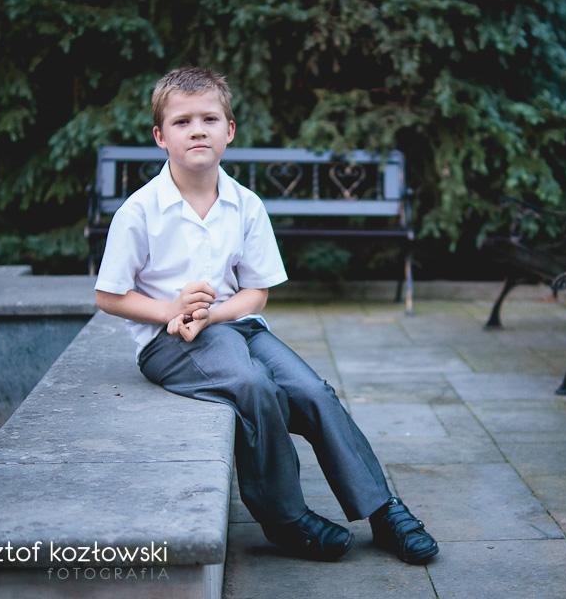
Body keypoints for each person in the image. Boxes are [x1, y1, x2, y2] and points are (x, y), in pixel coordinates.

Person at [94, 66, 438, 565]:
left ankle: (382, 510)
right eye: (183, 121)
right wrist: (172, 309)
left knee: (313, 392)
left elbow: (256, 294)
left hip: (235, 325)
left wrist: (214, 315)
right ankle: (285, 518)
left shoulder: (244, 204)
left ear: (229, 131)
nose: (197, 130)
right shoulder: (140, 211)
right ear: (160, 137)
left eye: (210, 119)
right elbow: (108, 295)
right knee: (253, 386)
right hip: (170, 342)